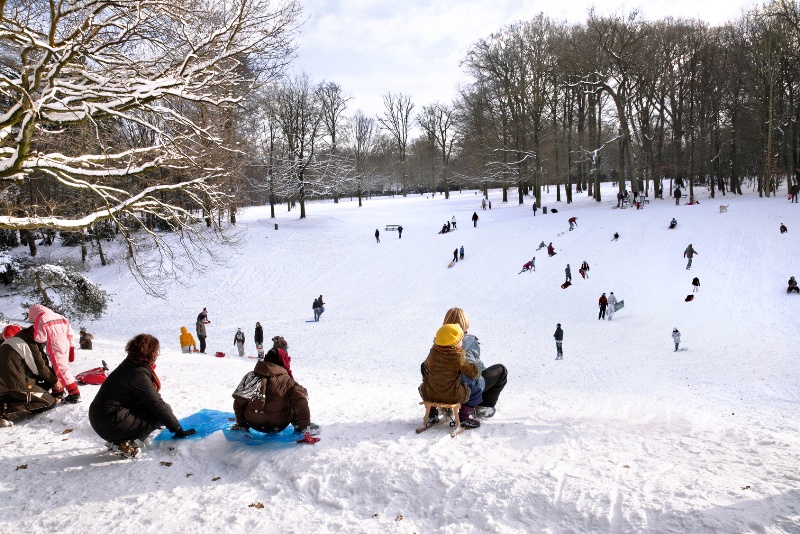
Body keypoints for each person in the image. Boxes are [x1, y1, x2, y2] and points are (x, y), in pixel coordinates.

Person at [89, 334, 195, 458]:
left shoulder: (130, 364)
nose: (157, 354)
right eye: (156, 351)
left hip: (101, 418)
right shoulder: (137, 373)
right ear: (149, 353)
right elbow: (156, 403)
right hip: (109, 422)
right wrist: (177, 428)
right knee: (161, 413)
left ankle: (121, 439)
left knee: (153, 410)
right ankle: (126, 443)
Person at [230, 346, 317, 436]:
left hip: (253, 423)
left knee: (244, 400)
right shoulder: (288, 381)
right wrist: (305, 428)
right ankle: (300, 428)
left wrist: (242, 425)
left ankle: (244, 426)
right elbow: (301, 402)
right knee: (295, 400)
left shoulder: (250, 376)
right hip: (278, 425)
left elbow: (239, 402)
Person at [441, 308, 507, 419]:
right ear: (464, 323)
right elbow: (474, 367)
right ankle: (483, 407)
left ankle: (445, 407)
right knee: (501, 370)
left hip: (444, 388)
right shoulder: (468, 341)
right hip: (466, 389)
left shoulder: (439, 341)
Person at [419, 323, 481, 429]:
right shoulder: (457, 356)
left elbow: (424, 366)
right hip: (452, 395)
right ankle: (464, 417)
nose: (462, 342)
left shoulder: (433, 353)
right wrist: (476, 367)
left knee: (426, 387)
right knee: (476, 391)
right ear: (456, 343)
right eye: (461, 340)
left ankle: (432, 413)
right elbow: (472, 373)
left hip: (429, 393)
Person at [0, 325, 60, 428]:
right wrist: (54, 382)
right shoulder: (25, 342)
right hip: (13, 385)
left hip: (5, 385)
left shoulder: (10, 342)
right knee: (49, 402)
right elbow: (39, 368)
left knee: (40, 386)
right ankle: (6, 412)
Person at [28, 304, 79, 403]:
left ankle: (74, 393)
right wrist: (72, 348)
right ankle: (58, 390)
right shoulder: (60, 316)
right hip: (65, 344)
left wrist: (33, 332)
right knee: (60, 368)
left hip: (55, 345)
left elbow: (40, 338)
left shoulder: (41, 317)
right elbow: (70, 333)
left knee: (61, 369)